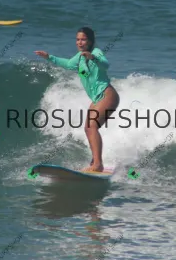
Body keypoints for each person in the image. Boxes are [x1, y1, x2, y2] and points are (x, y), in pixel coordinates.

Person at [34, 27, 120, 173]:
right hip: (97, 98)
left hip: (107, 95)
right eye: (78, 39)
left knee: (91, 127)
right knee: (89, 128)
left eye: (83, 39)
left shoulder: (96, 52)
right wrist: (49, 57)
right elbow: (68, 64)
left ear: (90, 41)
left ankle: (97, 164)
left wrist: (92, 58)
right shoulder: (80, 57)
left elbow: (105, 65)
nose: (79, 42)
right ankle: (95, 161)